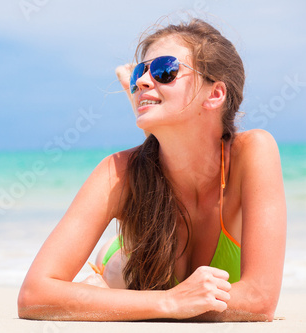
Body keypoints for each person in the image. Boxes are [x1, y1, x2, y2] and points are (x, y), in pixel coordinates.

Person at [17, 18, 286, 322]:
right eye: (138, 74)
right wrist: (170, 302)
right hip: (125, 261)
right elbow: (34, 295)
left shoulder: (252, 152)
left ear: (215, 94)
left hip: (149, 264)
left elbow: (259, 299)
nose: (144, 80)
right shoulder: (116, 172)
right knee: (118, 269)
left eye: (165, 71)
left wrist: (146, 304)